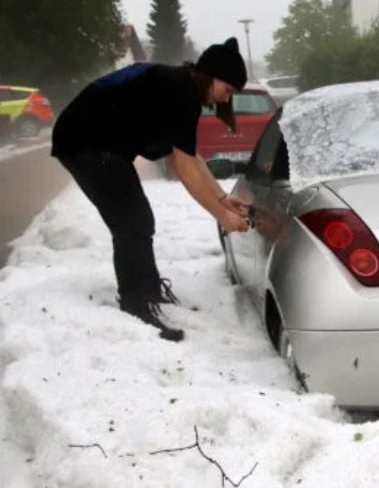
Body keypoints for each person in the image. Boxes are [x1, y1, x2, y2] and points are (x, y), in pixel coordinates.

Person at [51, 37, 251, 342]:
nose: (226, 100)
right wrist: (222, 217)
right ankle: (136, 304)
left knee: (138, 221)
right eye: (228, 91)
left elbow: (191, 157)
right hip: (84, 143)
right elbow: (184, 169)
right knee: (131, 222)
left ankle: (148, 293)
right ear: (212, 75)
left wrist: (223, 199)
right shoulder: (181, 90)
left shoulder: (181, 87)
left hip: (99, 144)